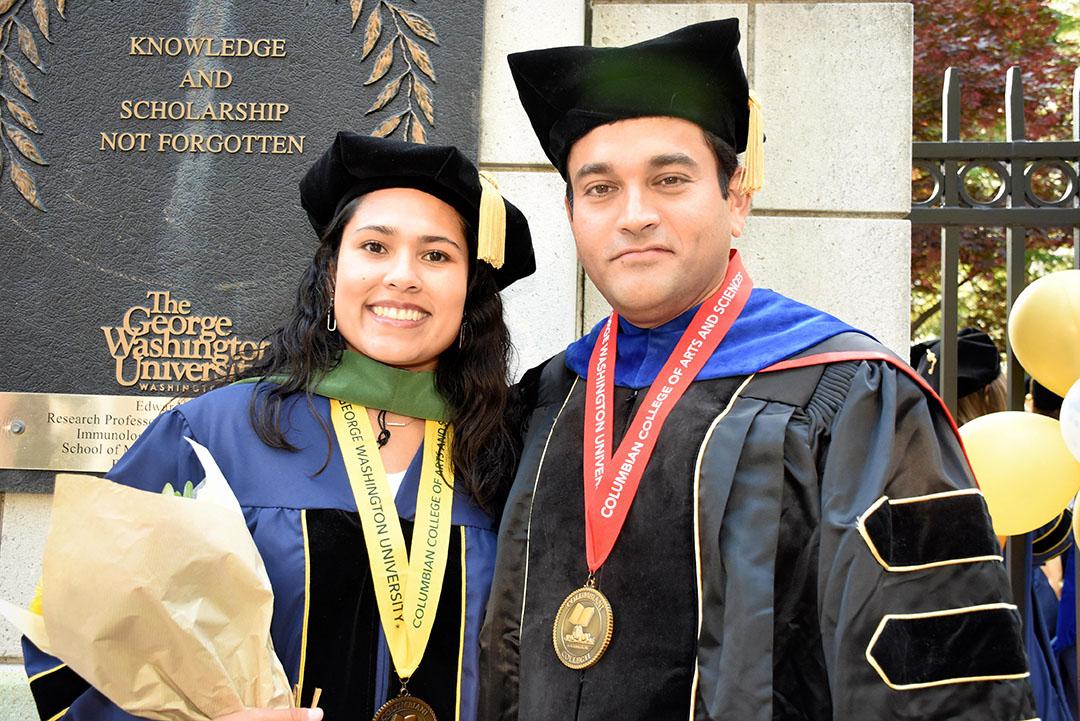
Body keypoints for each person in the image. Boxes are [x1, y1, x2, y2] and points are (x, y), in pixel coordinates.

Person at [479, 19, 1036, 720]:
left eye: (670, 179)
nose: (635, 214)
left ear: (735, 198)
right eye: (599, 189)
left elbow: (940, 685)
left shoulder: (857, 399)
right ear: (570, 212)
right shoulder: (546, 400)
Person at [22, 133, 535, 721]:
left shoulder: (513, 450)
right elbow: (74, 634)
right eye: (374, 247)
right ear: (330, 274)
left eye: (437, 255)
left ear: (469, 290)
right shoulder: (214, 437)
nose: (403, 276)